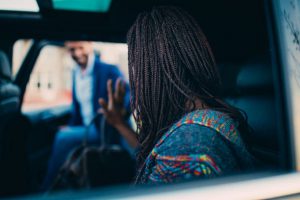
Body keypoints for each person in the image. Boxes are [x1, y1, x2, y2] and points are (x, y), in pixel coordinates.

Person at [122, 6, 255, 184]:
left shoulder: (188, 147)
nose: (135, 81)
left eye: (137, 69)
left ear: (151, 76)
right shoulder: (202, 127)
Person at [42, 41, 136, 190]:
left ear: (90, 46)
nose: (77, 53)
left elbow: (128, 95)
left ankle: (47, 189)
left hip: (106, 128)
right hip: (86, 127)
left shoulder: (108, 69)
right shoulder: (75, 74)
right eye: (72, 49)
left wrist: (121, 111)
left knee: (62, 139)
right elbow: (77, 109)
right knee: (63, 134)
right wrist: (71, 126)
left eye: (81, 48)